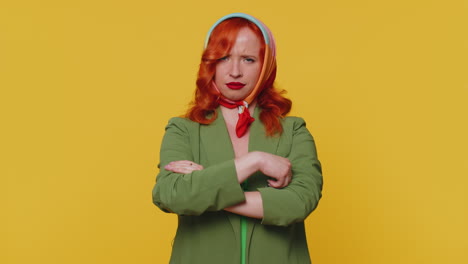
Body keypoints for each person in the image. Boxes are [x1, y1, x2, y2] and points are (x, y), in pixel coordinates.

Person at [152, 13, 323, 264]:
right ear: (210, 63)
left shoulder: (294, 130)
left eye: (248, 59)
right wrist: (255, 161)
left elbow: (299, 202)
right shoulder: (183, 129)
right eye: (223, 58)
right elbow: (170, 194)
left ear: (266, 66)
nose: (234, 71)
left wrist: (205, 186)